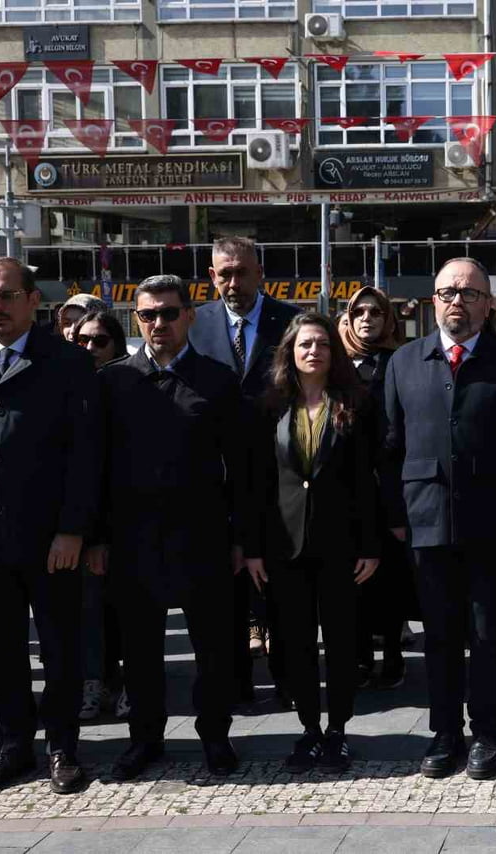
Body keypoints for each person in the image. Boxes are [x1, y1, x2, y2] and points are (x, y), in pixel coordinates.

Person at [0, 257, 100, 796]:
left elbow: (86, 457)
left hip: (50, 537)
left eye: (7, 295)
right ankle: (14, 748)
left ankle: (62, 748)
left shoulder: (67, 363)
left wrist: (74, 529)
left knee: (59, 647)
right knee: (1, 650)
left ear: (33, 300)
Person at [90, 274, 249, 781]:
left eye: (168, 312)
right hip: (132, 541)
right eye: (147, 314)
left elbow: (243, 469)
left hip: (203, 538)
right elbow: (94, 468)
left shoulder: (219, 380)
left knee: (214, 649)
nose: (158, 323)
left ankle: (216, 737)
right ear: (136, 318)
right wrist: (96, 537)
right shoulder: (114, 380)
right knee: (139, 651)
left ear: (190, 315)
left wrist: (243, 537)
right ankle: (144, 739)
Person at [381, 258, 496, 780]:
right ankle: (444, 733)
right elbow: (390, 446)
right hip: (425, 523)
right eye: (447, 292)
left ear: (488, 303)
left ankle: (487, 734)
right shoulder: (403, 362)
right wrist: (397, 517)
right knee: (439, 635)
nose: (457, 302)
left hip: (494, 523)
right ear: (433, 301)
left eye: (469, 293)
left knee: (489, 635)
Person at [258, 313, 379, 774]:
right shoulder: (270, 406)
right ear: (290, 351)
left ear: (334, 353)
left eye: (322, 345)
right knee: (296, 643)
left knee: (343, 641)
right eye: (305, 344)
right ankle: (308, 728)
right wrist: (252, 547)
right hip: (284, 548)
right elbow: (257, 483)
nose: (313, 351)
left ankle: (338, 731)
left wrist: (370, 544)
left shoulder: (356, 404)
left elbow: (368, 480)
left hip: (342, 545)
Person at [187, 236, 301, 710]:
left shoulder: (290, 321)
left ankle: (290, 681)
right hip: (215, 479)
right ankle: (234, 686)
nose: (232, 282)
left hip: (279, 476)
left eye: (240, 272)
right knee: (224, 592)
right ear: (212, 276)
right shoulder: (194, 322)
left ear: (259, 272)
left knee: (280, 585)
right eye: (222, 274)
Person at [341, 286, 413, 691]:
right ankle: (360, 657)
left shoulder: (400, 361)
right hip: (347, 486)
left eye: (376, 312)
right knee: (353, 577)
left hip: (390, 484)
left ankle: (393, 657)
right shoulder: (336, 365)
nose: (367, 319)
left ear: (389, 319)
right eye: (359, 312)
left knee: (391, 577)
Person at [69, 311, 128, 723]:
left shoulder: (129, 385)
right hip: (81, 520)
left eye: (99, 340)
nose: (90, 349)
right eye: (81, 341)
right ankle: (94, 681)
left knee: (127, 609)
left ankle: (128, 683)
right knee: (89, 610)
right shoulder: (65, 386)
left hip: (127, 517)